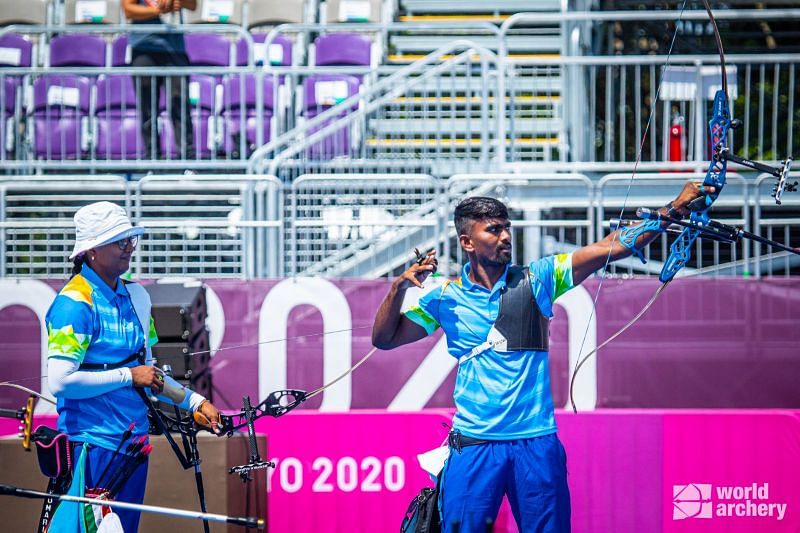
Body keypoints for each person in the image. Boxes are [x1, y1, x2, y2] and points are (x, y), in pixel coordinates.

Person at [372, 182, 711, 532]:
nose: (505, 236)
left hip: (535, 444)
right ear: (467, 242)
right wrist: (398, 289)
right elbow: (385, 339)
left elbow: (609, 247)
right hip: (473, 446)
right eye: (493, 229)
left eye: (507, 227)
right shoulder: (445, 297)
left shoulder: (540, 279)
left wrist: (675, 208)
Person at [46, 201, 220, 532]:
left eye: (130, 239)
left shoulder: (138, 297)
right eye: (119, 241)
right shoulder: (74, 302)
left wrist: (194, 403)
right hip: (92, 448)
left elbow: (149, 374)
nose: (129, 247)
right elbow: (61, 382)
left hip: (134, 448)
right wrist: (129, 376)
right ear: (92, 250)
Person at [122, 0, 197, 159]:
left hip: (174, 49)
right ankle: (151, 158)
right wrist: (159, 10)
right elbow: (128, 10)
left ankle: (186, 159)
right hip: (144, 47)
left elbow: (193, 5)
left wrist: (176, 2)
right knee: (147, 108)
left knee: (180, 105)